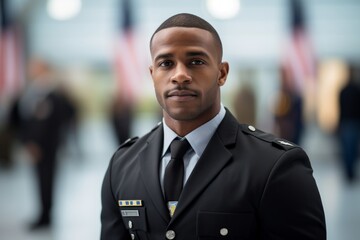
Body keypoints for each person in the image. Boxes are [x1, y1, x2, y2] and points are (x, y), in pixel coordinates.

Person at [101, 13, 326, 240]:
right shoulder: (122, 166)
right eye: (166, 63)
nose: (179, 75)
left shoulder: (275, 166)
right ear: (152, 75)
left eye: (196, 61)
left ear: (222, 73)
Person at [11, 58, 76, 230]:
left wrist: (37, 144)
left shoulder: (51, 94)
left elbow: (49, 122)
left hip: (47, 147)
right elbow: (25, 120)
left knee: (47, 181)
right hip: (34, 146)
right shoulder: (32, 92)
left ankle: (46, 216)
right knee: (39, 181)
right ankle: (42, 213)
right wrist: (26, 141)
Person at [337, 65, 360, 182]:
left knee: (349, 150)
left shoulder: (346, 90)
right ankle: (349, 173)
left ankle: (349, 173)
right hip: (349, 123)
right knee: (349, 150)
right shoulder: (351, 90)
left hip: (350, 123)